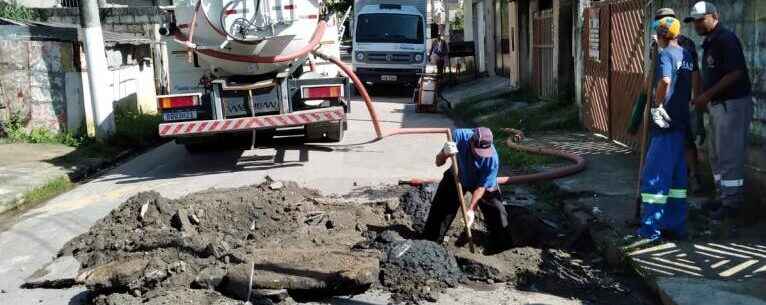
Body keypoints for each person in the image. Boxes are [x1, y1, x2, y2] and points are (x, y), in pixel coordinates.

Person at [685, 1, 754, 220]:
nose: (696, 24)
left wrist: (706, 95)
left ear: (714, 16)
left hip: (732, 104)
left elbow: (735, 73)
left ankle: (732, 204)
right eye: (694, 21)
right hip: (718, 105)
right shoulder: (710, 42)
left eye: (700, 19)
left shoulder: (726, 39)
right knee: (716, 155)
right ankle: (722, 196)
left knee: (729, 156)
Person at [638, 16, 695, 241]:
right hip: (681, 121)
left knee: (655, 174)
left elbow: (665, 81)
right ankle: (675, 224)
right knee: (677, 177)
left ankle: (650, 229)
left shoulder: (665, 55)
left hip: (665, 118)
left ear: (661, 35)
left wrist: (657, 103)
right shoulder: (687, 54)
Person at [422, 127, 523, 252]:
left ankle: (500, 247)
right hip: (457, 175)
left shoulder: (492, 159)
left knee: (497, 212)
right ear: (470, 142)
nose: (480, 155)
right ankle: (430, 244)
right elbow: (438, 162)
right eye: (477, 151)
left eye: (484, 151)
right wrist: (444, 153)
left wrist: (471, 210)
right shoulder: (459, 136)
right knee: (442, 209)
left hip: (480, 182)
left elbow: (481, 187)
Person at [654, 8, 707, 194]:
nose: (660, 27)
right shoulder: (658, 45)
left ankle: (694, 177)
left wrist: (695, 98)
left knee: (686, 140)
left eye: (663, 23)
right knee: (666, 140)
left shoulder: (685, 45)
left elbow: (694, 73)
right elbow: (657, 74)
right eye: (658, 23)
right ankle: (675, 177)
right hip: (665, 101)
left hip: (679, 102)